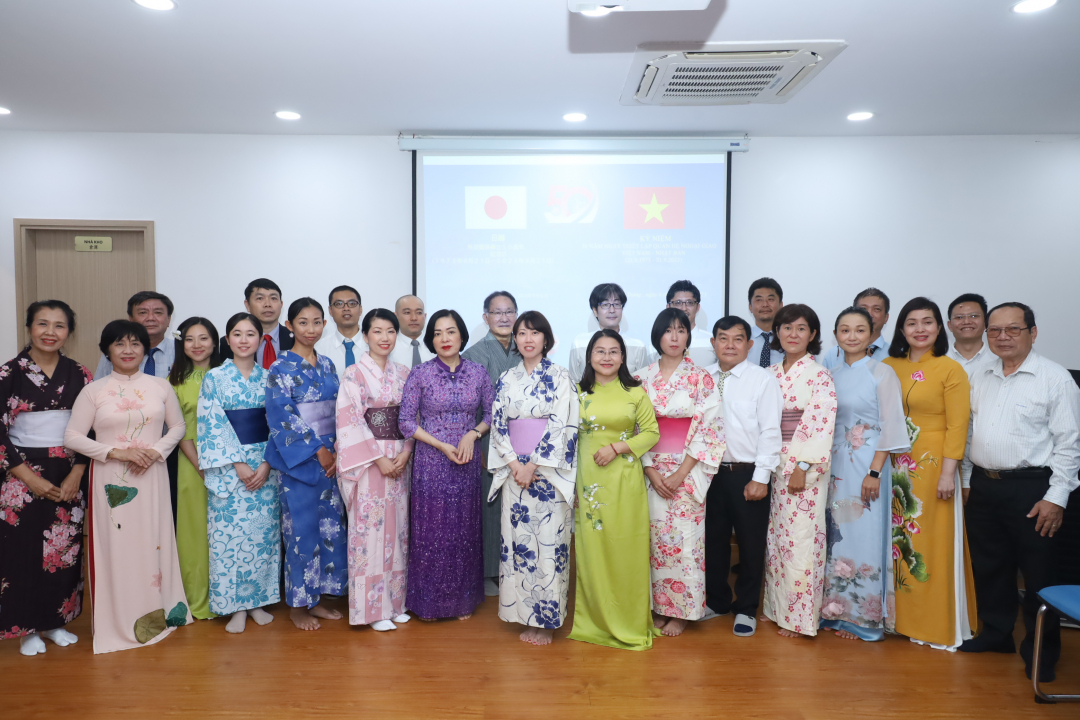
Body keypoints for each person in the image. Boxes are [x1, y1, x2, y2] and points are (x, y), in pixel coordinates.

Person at [959, 302, 1080, 683]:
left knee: (1040, 574)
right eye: (994, 330)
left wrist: (1056, 497)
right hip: (983, 483)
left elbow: (1070, 444)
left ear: (1033, 332)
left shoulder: (1054, 378)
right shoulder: (980, 374)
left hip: (1033, 489)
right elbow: (967, 433)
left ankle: (1041, 652)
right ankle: (996, 635)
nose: (1002, 337)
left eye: (1013, 329)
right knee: (990, 567)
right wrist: (966, 481)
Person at [64, 320, 192, 653]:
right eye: (120, 344)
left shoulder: (160, 386)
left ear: (145, 349)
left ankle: (161, 610)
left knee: (154, 541)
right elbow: (72, 437)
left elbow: (177, 427)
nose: (128, 350)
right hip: (110, 478)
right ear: (107, 350)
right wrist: (117, 452)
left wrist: (154, 452)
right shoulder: (94, 390)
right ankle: (122, 619)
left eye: (135, 343)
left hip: (152, 475)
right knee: (118, 546)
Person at [882, 297, 977, 650]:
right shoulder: (888, 365)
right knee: (895, 543)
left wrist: (949, 473)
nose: (920, 329)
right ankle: (898, 619)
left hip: (933, 467)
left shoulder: (950, 369)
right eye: (912, 323)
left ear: (939, 328)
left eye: (928, 322)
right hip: (892, 467)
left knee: (929, 545)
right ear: (901, 329)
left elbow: (958, 426)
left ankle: (934, 623)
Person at [0, 301, 93, 656]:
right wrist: (26, 476)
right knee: (21, 552)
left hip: (69, 471)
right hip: (21, 473)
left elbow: (91, 425)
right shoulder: (9, 373)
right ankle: (26, 628)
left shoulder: (80, 373)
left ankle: (55, 622)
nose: (50, 332)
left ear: (69, 331)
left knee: (64, 550)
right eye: (42, 324)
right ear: (29, 328)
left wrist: (78, 471)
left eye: (59, 325)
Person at [819, 307, 909, 641]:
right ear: (836, 335)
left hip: (868, 466)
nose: (852, 336)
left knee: (863, 532)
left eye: (860, 330)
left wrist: (874, 471)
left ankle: (863, 617)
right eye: (845, 330)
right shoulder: (830, 373)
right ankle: (834, 611)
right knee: (836, 533)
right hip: (835, 464)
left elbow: (891, 426)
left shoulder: (881, 373)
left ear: (871, 335)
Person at [488, 311, 577, 646]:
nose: (527, 339)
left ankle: (547, 621)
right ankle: (522, 614)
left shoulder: (561, 376)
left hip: (547, 475)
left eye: (534, 333)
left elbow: (563, 424)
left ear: (546, 339)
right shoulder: (507, 378)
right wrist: (513, 463)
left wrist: (533, 465)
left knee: (550, 546)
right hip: (515, 474)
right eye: (522, 333)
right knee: (518, 546)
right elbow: (498, 423)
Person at [568, 329, 661, 651]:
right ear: (589, 356)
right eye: (599, 351)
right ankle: (594, 622)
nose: (606, 357)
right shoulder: (576, 392)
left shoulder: (635, 392)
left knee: (626, 551)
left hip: (624, 482)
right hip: (587, 483)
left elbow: (651, 433)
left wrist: (619, 447)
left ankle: (630, 623)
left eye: (613, 351)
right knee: (593, 553)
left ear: (623, 357)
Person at [399, 309, 494, 621]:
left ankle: (462, 600)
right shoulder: (421, 374)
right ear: (431, 339)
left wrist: (473, 433)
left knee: (463, 530)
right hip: (431, 463)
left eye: (450, 331)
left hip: (466, 463)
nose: (444, 338)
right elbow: (405, 423)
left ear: (462, 336)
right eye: (437, 333)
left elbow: (492, 415)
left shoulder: (479, 372)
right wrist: (440, 444)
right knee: (433, 531)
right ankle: (429, 602)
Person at [635, 309, 723, 637]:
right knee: (653, 543)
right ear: (658, 335)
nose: (674, 337)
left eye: (681, 330)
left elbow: (711, 429)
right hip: (650, 470)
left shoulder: (701, 378)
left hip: (686, 470)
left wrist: (680, 473)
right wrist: (649, 469)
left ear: (688, 335)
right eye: (668, 331)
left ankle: (683, 611)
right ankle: (659, 606)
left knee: (685, 544)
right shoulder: (641, 377)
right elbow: (634, 427)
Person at [265, 298, 347, 631]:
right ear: (289, 326)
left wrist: (339, 448)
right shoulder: (279, 368)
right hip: (299, 460)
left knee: (331, 528)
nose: (310, 329)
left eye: (316, 322)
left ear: (324, 324)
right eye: (303, 322)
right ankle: (299, 605)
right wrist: (317, 449)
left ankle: (322, 599)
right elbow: (281, 414)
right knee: (300, 532)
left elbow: (340, 408)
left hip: (332, 455)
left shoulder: (327, 364)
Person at [197, 312, 282, 634]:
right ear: (228, 339)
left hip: (265, 464)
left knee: (263, 536)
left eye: (250, 334)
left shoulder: (270, 377)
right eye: (237, 333)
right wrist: (238, 463)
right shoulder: (215, 378)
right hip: (230, 467)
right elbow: (211, 424)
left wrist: (267, 462)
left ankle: (259, 601)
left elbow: (278, 422)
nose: (244, 339)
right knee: (229, 539)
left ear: (260, 339)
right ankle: (234, 607)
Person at [700, 316, 783, 637]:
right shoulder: (702, 378)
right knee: (713, 542)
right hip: (707, 474)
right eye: (723, 338)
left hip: (746, 473)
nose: (730, 345)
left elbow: (771, 432)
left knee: (749, 545)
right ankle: (717, 601)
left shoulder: (761, 379)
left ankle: (746, 608)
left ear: (749, 344)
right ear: (713, 343)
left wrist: (761, 477)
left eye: (738, 339)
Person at [761, 304, 837, 639]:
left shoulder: (819, 375)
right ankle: (776, 607)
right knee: (777, 540)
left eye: (801, 328)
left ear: (813, 335)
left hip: (802, 468)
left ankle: (799, 618)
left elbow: (821, 424)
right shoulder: (771, 373)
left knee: (802, 542)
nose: (793, 334)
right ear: (777, 332)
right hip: (774, 461)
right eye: (787, 328)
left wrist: (802, 466)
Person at [335, 308, 414, 632]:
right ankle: (371, 609)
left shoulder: (405, 372)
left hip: (399, 459)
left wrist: (407, 450)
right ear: (365, 335)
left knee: (398, 531)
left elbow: (412, 418)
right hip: (369, 463)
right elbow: (350, 419)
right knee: (369, 533)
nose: (384, 337)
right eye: (377, 331)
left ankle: (395, 603)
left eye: (390, 331)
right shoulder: (353, 373)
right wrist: (378, 458)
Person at [462, 291, 519, 597]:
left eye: (509, 312)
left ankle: (514, 565)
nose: (504, 318)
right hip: (488, 438)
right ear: (485, 317)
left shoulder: (525, 349)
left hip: (523, 440)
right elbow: (472, 406)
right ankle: (488, 571)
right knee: (490, 504)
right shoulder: (473, 354)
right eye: (497, 313)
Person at [167, 317, 222, 621]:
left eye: (203, 338)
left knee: (229, 532)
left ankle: (232, 597)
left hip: (232, 465)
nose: (197, 345)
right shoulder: (172, 382)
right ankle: (197, 599)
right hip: (192, 466)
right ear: (181, 344)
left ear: (215, 342)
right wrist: (201, 466)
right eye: (190, 339)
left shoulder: (227, 376)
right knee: (195, 534)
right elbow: (181, 430)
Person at [568, 283, 654, 383]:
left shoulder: (638, 346)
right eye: (605, 305)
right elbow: (573, 384)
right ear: (595, 310)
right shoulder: (579, 343)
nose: (612, 310)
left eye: (617, 304)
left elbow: (642, 384)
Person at [94, 291, 176, 378]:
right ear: (131, 319)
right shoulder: (116, 353)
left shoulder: (181, 351)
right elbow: (99, 387)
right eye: (143, 312)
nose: (151, 318)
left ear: (169, 319)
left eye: (158, 312)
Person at [220, 279, 294, 367]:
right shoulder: (230, 343)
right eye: (260, 298)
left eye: (273, 298)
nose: (267, 304)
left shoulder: (296, 339)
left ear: (281, 304)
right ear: (247, 305)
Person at [823, 288, 892, 361]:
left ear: (886, 317)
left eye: (877, 309)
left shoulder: (895, 354)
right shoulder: (833, 355)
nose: (869, 314)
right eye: (863, 309)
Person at [315, 285, 365, 380]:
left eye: (352, 303)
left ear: (360, 309)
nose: (346, 308)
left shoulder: (374, 345)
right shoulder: (319, 349)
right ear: (330, 310)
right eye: (339, 304)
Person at [666, 280, 717, 367]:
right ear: (668, 307)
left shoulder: (712, 342)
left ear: (697, 307)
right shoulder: (659, 343)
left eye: (689, 303)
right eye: (678, 303)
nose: (684, 308)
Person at [946, 293, 996, 379]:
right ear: (950, 325)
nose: (966, 322)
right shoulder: (936, 359)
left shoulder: (998, 359)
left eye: (973, 316)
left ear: (986, 323)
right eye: (959, 317)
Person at [747, 278, 784, 369]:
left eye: (770, 299)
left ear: (781, 305)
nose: (765, 304)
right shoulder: (742, 339)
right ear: (750, 307)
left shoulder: (790, 339)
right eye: (759, 300)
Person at [390, 294, 434, 369]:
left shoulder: (436, 346)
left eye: (419, 313)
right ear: (395, 316)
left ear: (425, 316)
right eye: (407, 312)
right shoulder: (388, 347)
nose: (414, 318)